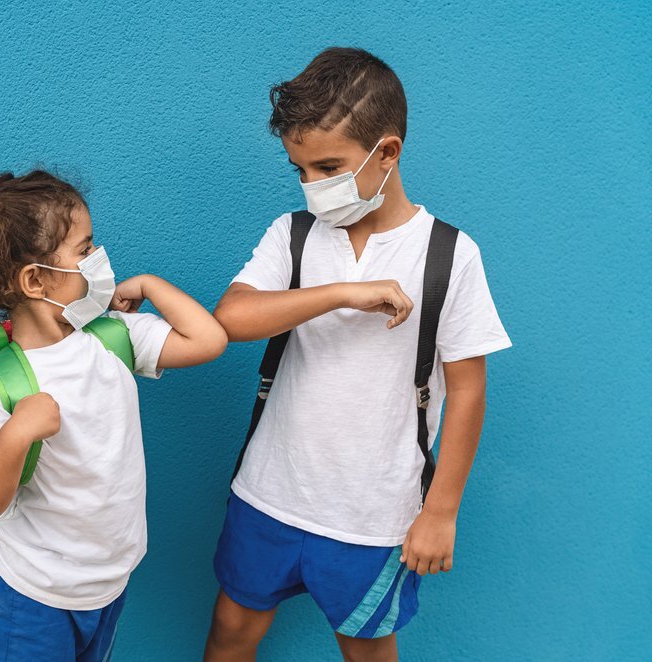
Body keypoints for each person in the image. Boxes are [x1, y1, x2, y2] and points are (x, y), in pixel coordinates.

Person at [204, 48, 511, 662]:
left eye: (329, 167)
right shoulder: (292, 236)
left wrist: (441, 511)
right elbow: (230, 319)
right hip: (269, 491)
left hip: (374, 516)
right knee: (232, 630)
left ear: (387, 153)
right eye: (300, 171)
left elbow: (469, 390)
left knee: (366, 649)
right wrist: (343, 292)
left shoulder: (450, 255)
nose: (313, 187)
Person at [0, 170, 227, 661]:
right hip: (34, 598)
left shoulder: (112, 337)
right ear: (35, 280)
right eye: (85, 250)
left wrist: (150, 284)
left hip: (109, 584)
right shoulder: (3, 383)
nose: (98, 259)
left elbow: (208, 341)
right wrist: (17, 434)